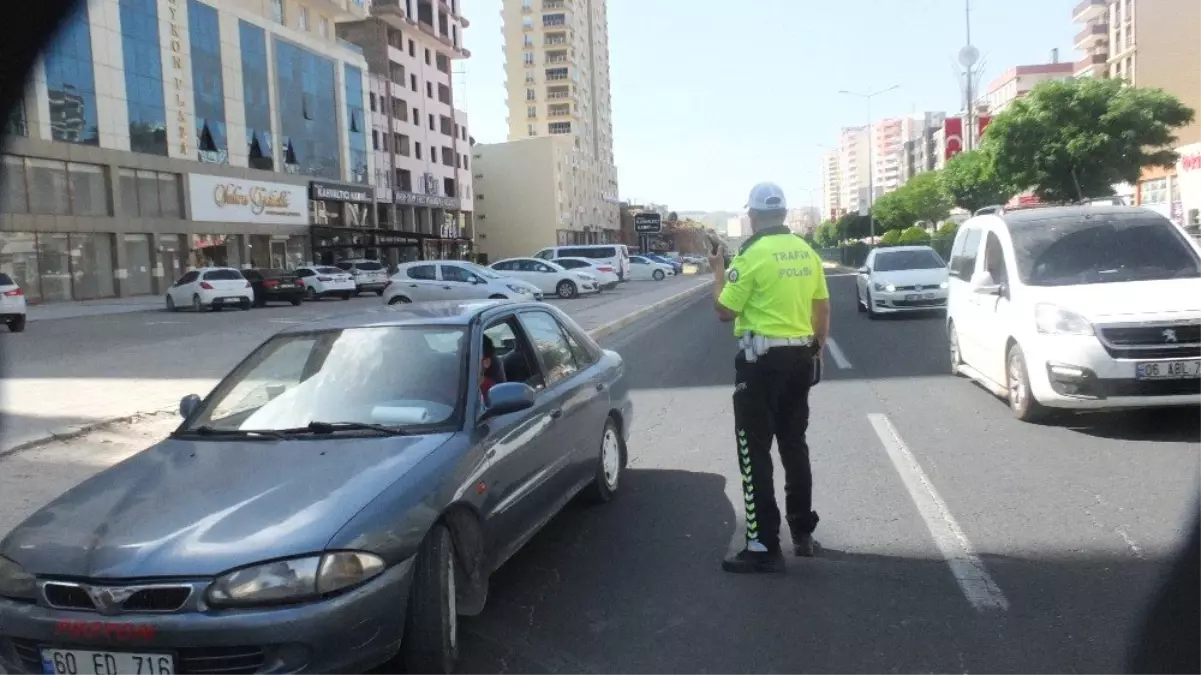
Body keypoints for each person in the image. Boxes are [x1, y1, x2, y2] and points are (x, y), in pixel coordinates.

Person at [708, 182, 832, 575]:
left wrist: (717, 273)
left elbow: (725, 310)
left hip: (760, 365)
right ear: (783, 214)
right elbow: (823, 306)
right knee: (794, 445)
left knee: (754, 450)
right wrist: (817, 349)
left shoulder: (752, 255)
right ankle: (803, 534)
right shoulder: (806, 252)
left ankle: (763, 546)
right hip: (799, 359)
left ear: (753, 215)